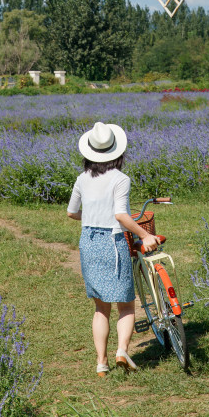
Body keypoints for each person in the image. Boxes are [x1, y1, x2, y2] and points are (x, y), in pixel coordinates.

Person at [67, 121, 160, 376]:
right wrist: (143, 234)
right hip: (112, 243)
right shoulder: (120, 179)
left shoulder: (81, 179)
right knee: (127, 305)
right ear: (117, 152)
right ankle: (121, 351)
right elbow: (121, 216)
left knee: (100, 308)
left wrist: (93, 216)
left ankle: (101, 363)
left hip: (88, 242)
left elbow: (71, 212)